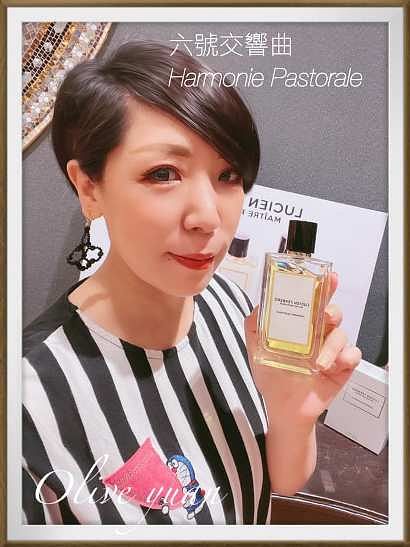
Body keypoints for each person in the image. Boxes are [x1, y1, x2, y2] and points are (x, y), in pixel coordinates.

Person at [22, 40, 361, 525]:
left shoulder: (230, 305)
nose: (208, 217)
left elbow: (278, 484)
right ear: (89, 187)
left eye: (228, 175)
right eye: (163, 173)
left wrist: (294, 418)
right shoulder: (29, 405)